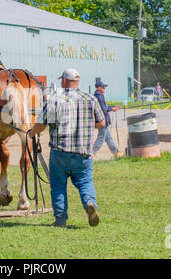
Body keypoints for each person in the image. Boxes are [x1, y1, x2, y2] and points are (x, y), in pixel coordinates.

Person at [28, 68, 105, 228]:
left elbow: (41, 125)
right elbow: (102, 123)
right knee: (85, 182)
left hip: (60, 153)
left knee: (58, 185)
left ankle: (60, 220)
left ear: (64, 81)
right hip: (83, 153)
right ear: (77, 81)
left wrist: (31, 133)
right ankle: (90, 203)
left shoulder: (55, 100)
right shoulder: (91, 99)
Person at [92, 80, 123, 159]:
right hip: (102, 120)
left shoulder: (99, 95)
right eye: (103, 87)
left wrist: (113, 107)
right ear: (99, 88)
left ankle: (116, 153)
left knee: (108, 138)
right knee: (101, 138)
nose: (104, 88)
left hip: (103, 120)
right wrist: (113, 109)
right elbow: (104, 108)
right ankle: (92, 154)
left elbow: (105, 106)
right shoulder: (99, 95)